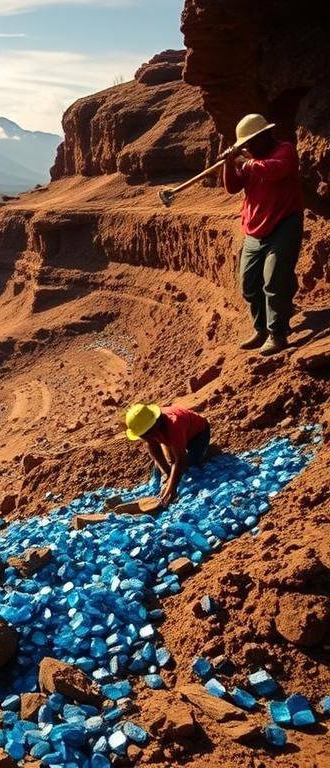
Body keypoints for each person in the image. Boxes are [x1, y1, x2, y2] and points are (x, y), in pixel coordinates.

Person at [221, 113, 305, 356]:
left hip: (284, 223)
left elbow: (275, 171)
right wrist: (229, 164)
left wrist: (245, 163)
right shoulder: (252, 160)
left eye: (250, 143)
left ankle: (277, 334)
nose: (247, 148)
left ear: (265, 136)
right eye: (244, 144)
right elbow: (232, 187)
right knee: (249, 285)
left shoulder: (285, 150)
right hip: (254, 230)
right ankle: (260, 329)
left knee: (274, 281)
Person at [124, 403, 210, 508]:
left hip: (198, 435)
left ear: (154, 426)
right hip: (173, 435)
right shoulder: (150, 424)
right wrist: (168, 473)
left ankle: (207, 452)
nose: (144, 438)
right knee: (165, 465)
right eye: (142, 436)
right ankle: (170, 467)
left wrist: (171, 490)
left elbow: (180, 461)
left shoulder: (173, 425)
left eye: (145, 435)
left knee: (187, 465)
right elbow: (151, 445)